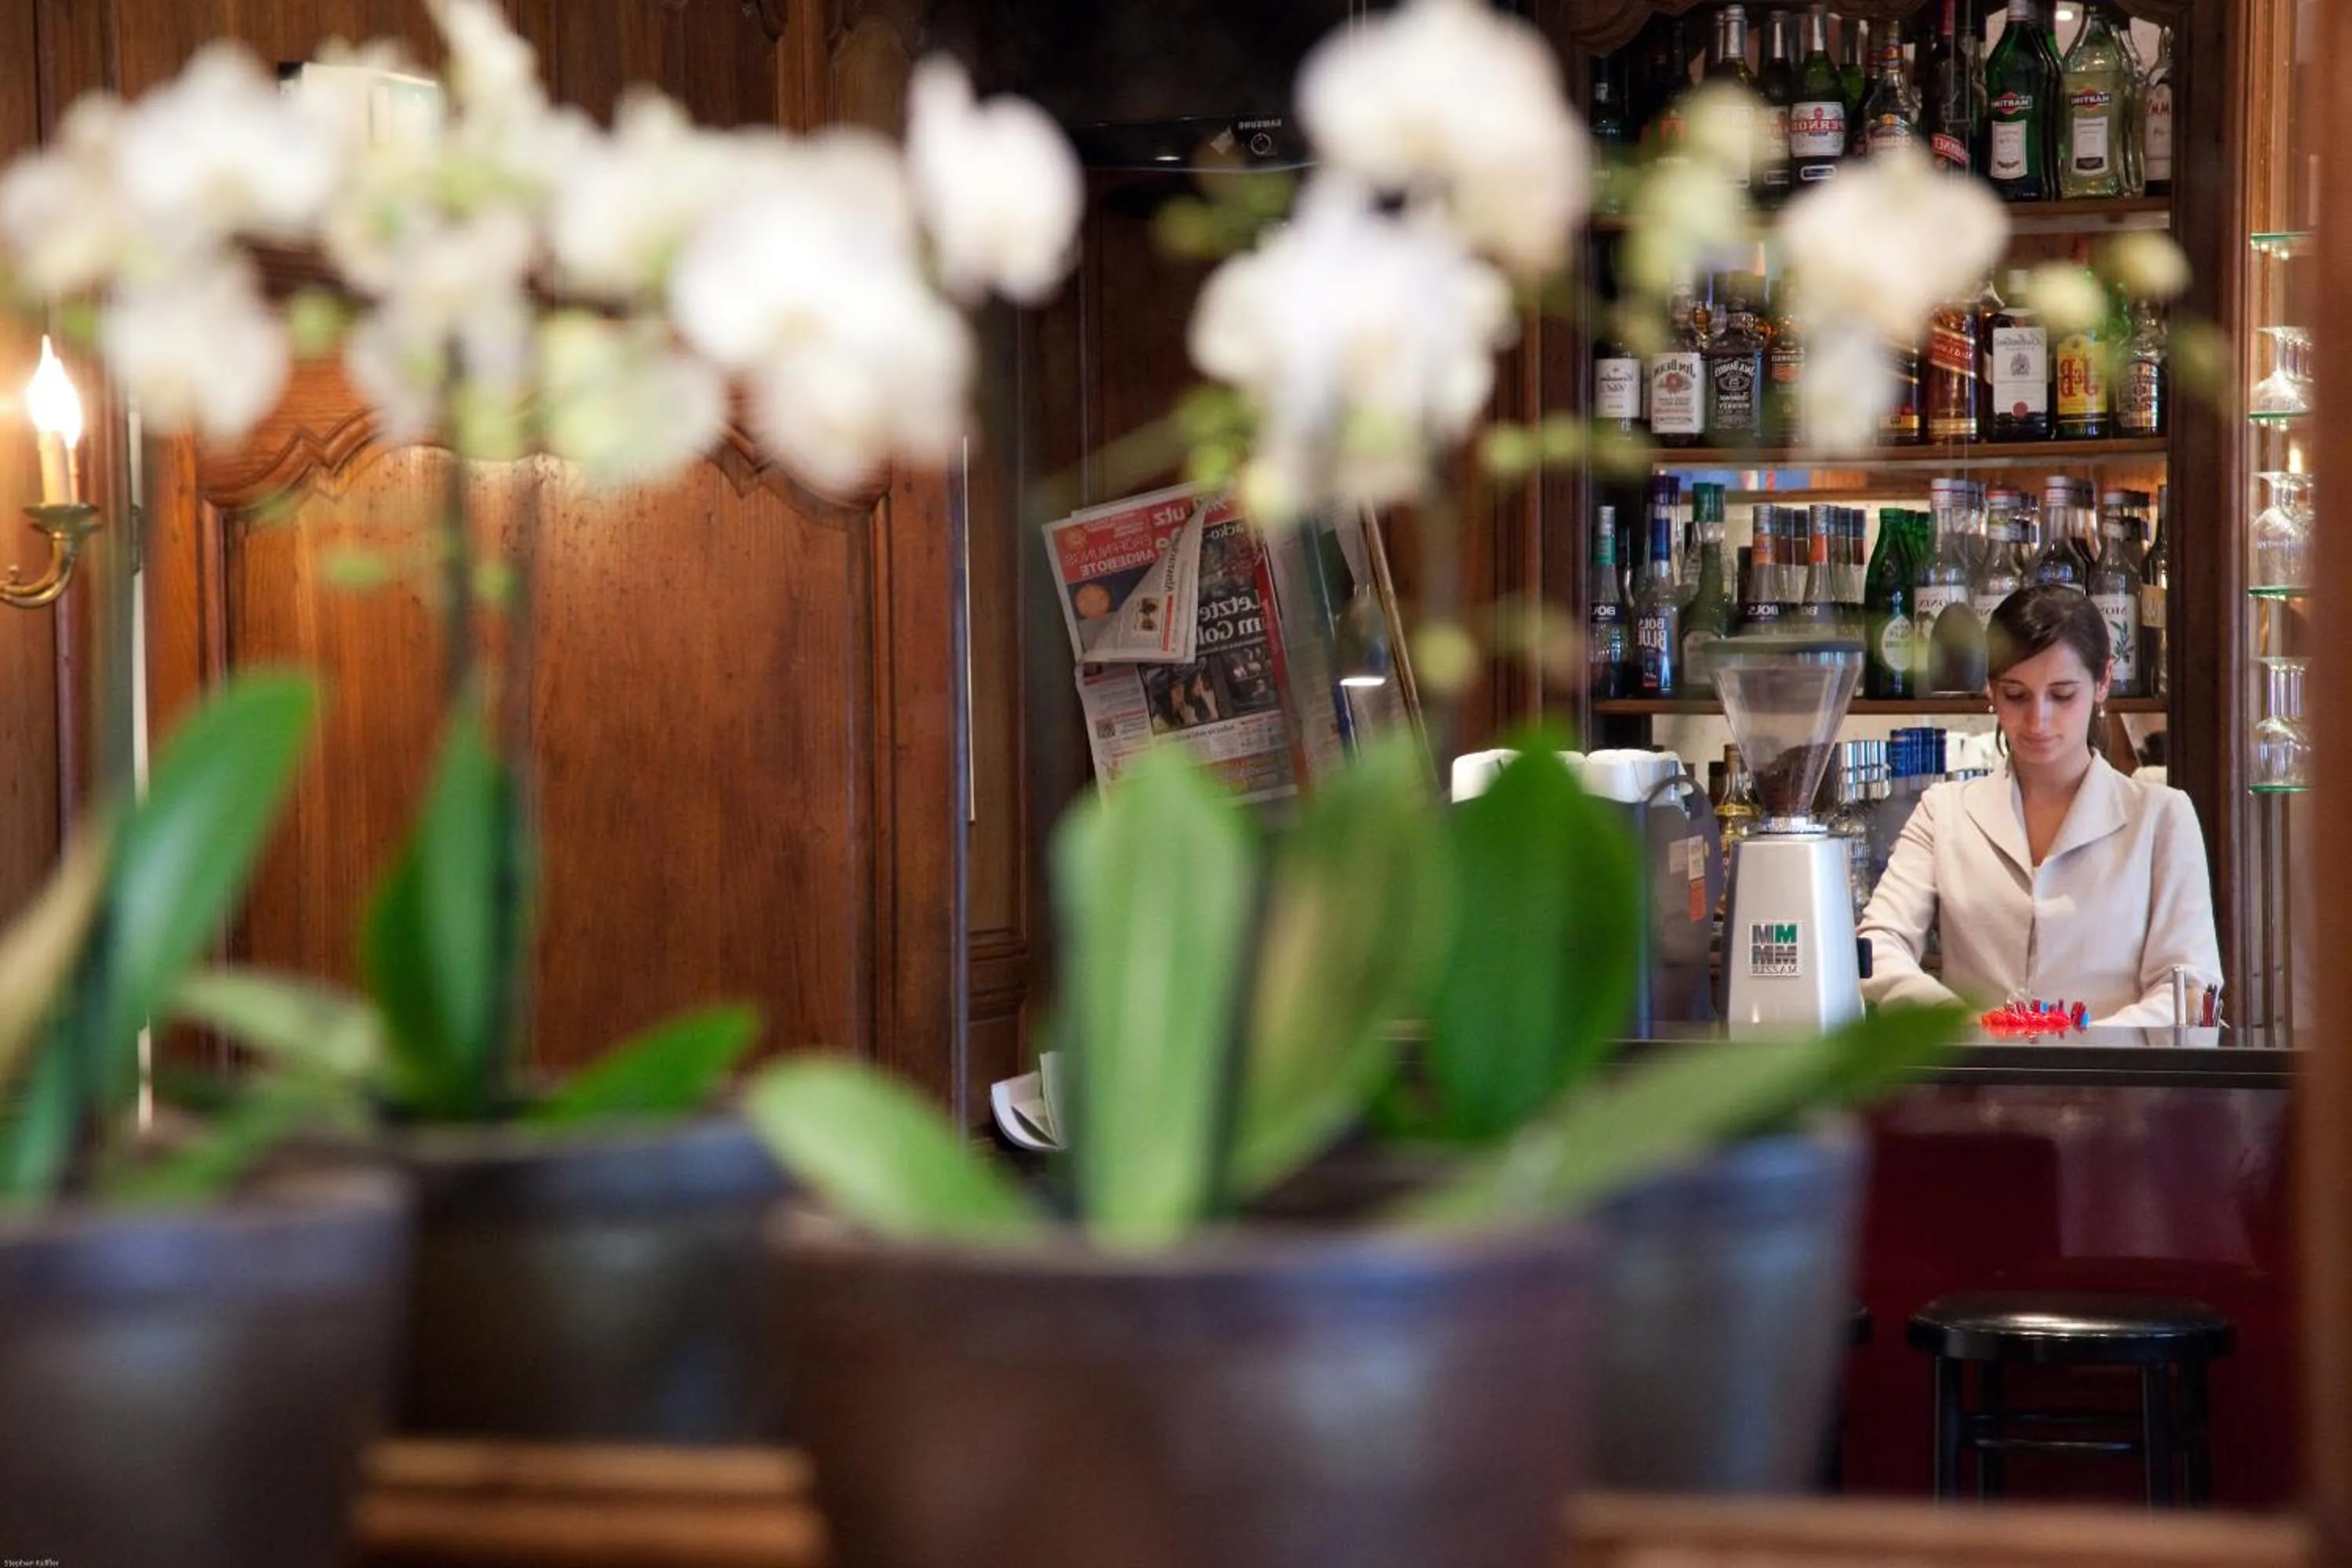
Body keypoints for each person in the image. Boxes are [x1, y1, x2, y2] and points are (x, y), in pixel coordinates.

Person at [1859, 586, 2221, 1026]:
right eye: (2016, 695)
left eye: (2062, 695)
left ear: (2103, 681)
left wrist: (2077, 1038)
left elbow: (2187, 985)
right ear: (1991, 690)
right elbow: (1877, 944)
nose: (2038, 721)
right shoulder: (1944, 812)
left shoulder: (2161, 816)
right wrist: (1957, 1022)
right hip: (1975, 1081)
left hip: (2117, 1084)